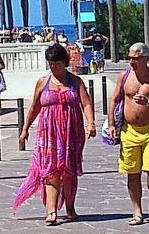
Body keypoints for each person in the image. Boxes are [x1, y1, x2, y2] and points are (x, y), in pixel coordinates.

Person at [13, 42, 96, 224]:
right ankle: (51, 211)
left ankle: (70, 207)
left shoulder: (75, 82)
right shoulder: (43, 82)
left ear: (64, 62)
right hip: (48, 132)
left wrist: (91, 123)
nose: (53, 66)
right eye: (50, 63)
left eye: (56, 63)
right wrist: (25, 128)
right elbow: (34, 107)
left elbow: (86, 104)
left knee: (69, 171)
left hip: (71, 132)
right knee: (51, 171)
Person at [111, 41, 149, 224]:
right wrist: (111, 124)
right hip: (129, 131)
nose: (132, 62)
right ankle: (137, 210)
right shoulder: (124, 76)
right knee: (133, 172)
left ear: (146, 58)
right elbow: (114, 100)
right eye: (130, 58)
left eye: (136, 59)